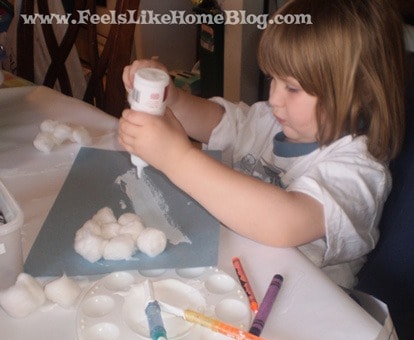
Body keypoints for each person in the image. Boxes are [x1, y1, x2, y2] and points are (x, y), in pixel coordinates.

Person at [118, 0, 405, 288]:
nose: (274, 99)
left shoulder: (357, 172)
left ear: (360, 91)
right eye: (273, 79)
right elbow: (218, 123)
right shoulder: (272, 121)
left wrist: (177, 159)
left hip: (301, 304)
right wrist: (171, 97)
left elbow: (282, 221)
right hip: (239, 276)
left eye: (292, 88)